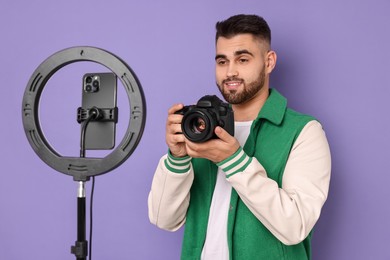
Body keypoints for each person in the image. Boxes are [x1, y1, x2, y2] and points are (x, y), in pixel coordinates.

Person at [148, 14, 331, 260]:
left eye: (243, 59)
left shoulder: (304, 132)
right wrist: (177, 158)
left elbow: (295, 225)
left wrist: (233, 160)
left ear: (269, 62)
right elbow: (164, 220)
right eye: (222, 61)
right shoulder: (201, 127)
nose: (230, 72)